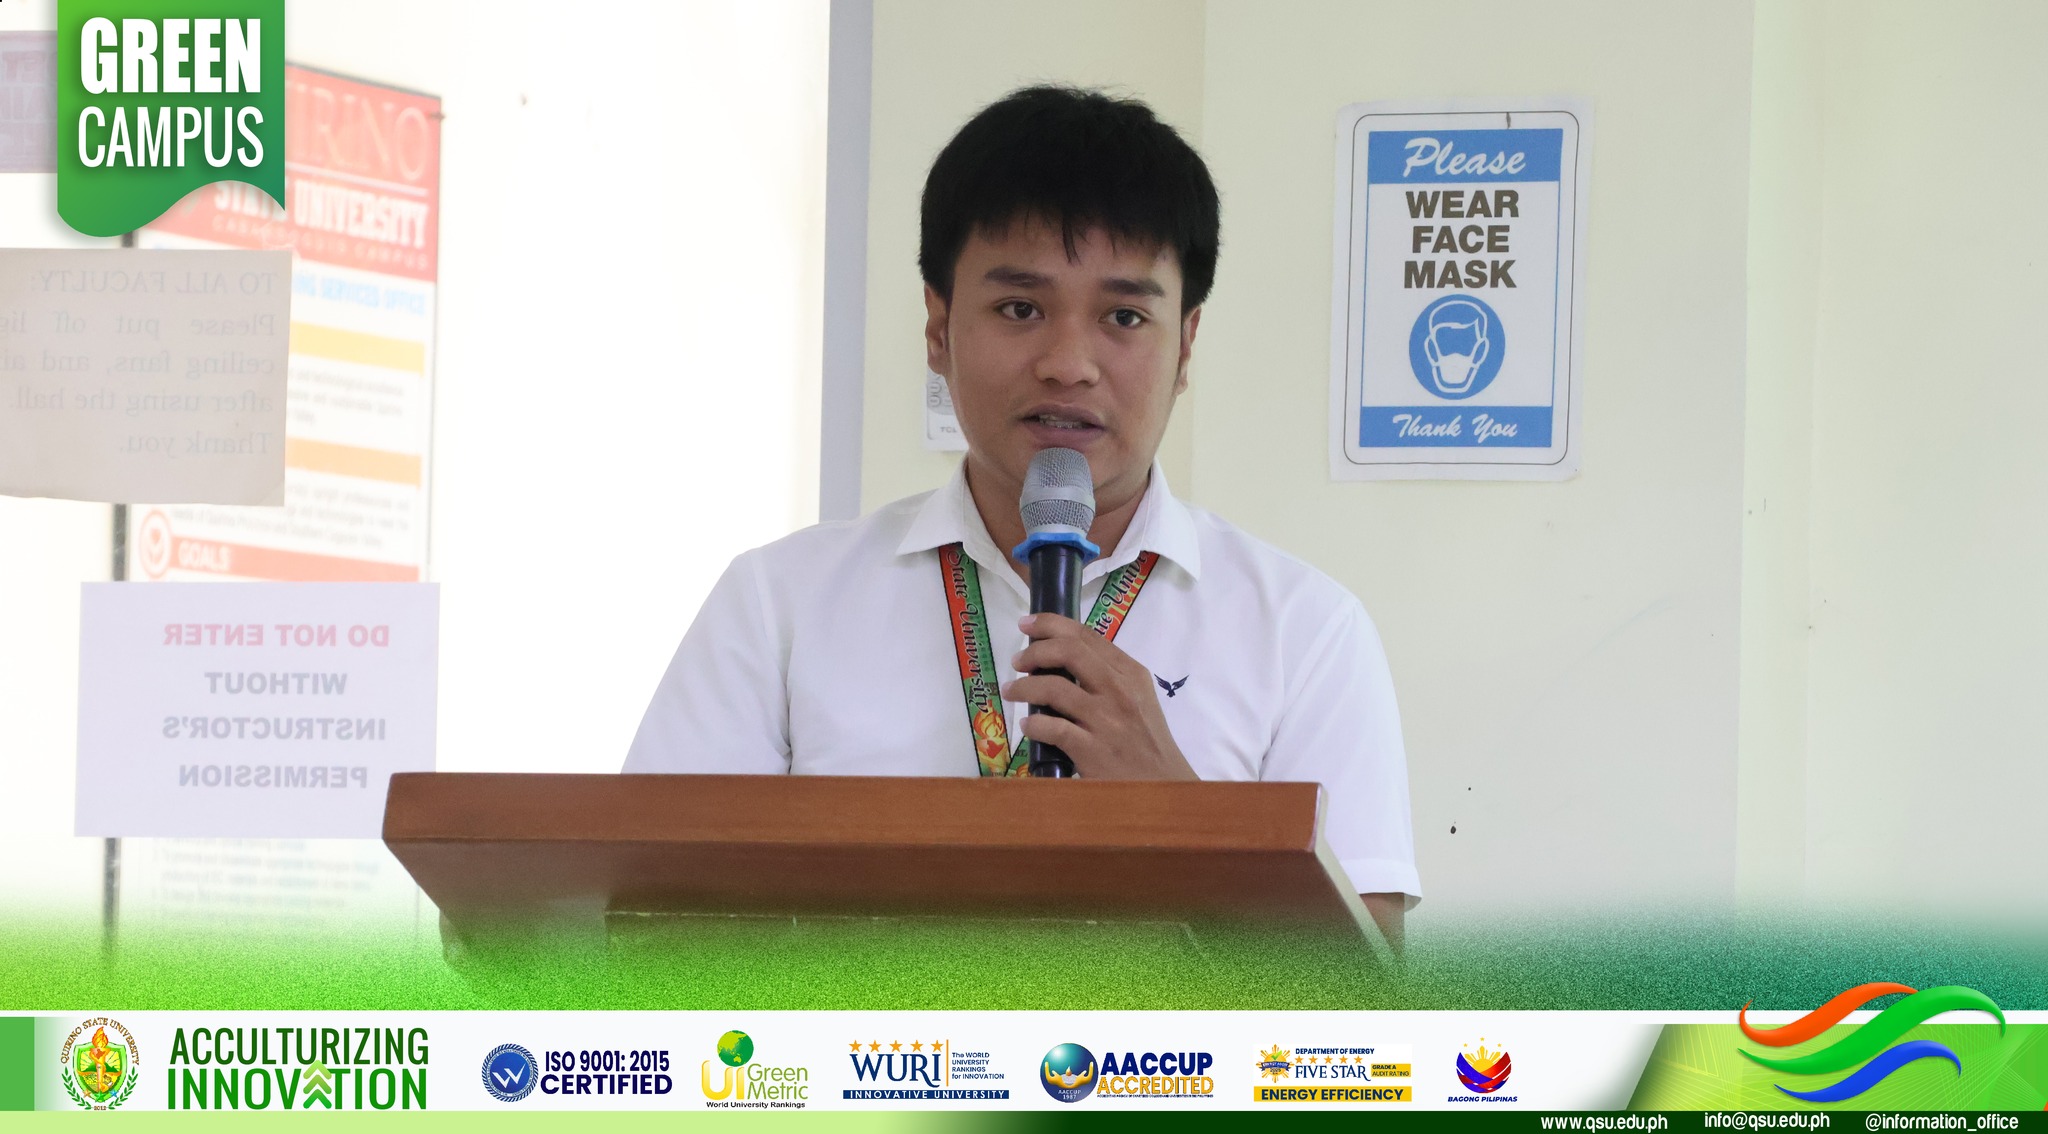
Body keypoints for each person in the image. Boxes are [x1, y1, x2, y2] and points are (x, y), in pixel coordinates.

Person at [625, 85, 1418, 944]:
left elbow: (1361, 998)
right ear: (938, 328)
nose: (1068, 363)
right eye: (1020, 309)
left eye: (1124, 316)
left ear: (1186, 345)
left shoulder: (1306, 632)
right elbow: (653, 926)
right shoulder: (779, 603)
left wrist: (1176, 810)